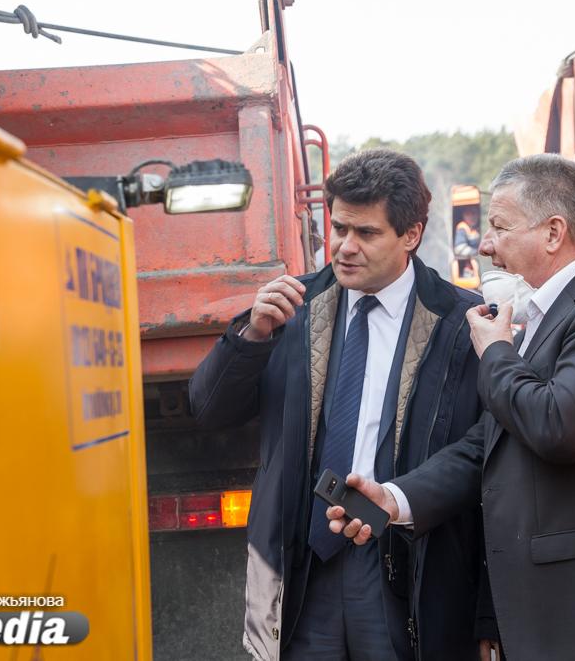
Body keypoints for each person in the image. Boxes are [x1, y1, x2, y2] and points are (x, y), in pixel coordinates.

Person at [328, 153, 575, 660]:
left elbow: (558, 425)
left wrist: (494, 351)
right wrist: (394, 499)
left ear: (554, 233)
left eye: (498, 227)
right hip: (561, 615)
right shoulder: (550, 315)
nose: (487, 244)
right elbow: (487, 447)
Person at [190, 149, 487, 660]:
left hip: (405, 567)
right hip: (303, 568)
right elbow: (209, 409)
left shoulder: (460, 324)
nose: (345, 247)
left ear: (411, 235)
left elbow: (482, 458)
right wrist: (250, 337)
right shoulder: (291, 309)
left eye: (366, 233)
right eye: (339, 228)